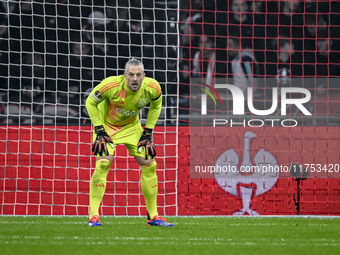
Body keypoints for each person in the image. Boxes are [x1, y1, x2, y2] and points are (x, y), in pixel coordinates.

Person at [85, 58, 174, 227]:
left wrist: (148, 132)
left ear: (143, 76)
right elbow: (90, 102)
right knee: (103, 163)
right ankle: (93, 216)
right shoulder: (110, 85)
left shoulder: (153, 87)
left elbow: (156, 106)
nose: (134, 78)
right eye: (131, 75)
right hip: (106, 126)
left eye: (138, 75)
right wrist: (99, 129)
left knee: (150, 164)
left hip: (132, 127)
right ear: (125, 76)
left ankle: (153, 217)